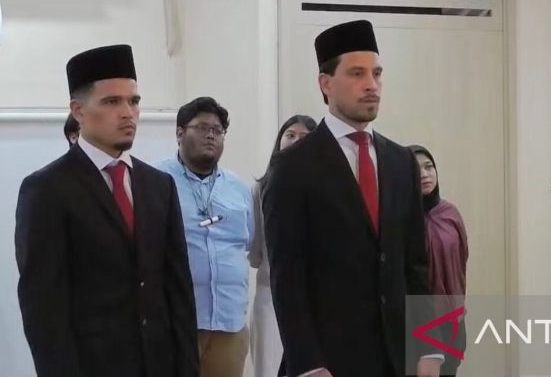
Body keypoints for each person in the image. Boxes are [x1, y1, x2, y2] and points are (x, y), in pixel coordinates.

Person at [263, 19, 442, 377]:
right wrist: (309, 366)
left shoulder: (400, 161)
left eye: (377, 74)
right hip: (330, 361)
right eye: (357, 74)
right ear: (326, 84)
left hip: (397, 359)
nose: (371, 85)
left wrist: (429, 348)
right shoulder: (293, 167)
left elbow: (415, 266)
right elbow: (288, 278)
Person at [15, 44, 198, 377]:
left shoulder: (158, 185)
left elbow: (178, 290)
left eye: (134, 101)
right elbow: (43, 307)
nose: (128, 113)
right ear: (79, 111)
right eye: (112, 102)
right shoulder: (48, 189)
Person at [157, 97, 253, 377]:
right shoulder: (155, 181)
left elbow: (250, 243)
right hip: (177, 323)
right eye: (202, 128)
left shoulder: (238, 188)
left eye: (218, 130)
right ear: (179, 133)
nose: (211, 135)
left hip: (229, 323)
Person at [249, 115, 317, 377]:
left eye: (305, 137)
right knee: (269, 367)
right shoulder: (261, 188)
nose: (296, 141)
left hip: (316, 298)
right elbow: (256, 253)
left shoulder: (327, 188)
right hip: (271, 294)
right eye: (290, 135)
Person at [409, 145, 468, 377]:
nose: (425, 174)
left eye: (429, 166)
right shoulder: (401, 218)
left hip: (452, 318)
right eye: (416, 170)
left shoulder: (450, 213)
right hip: (417, 322)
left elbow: (461, 260)